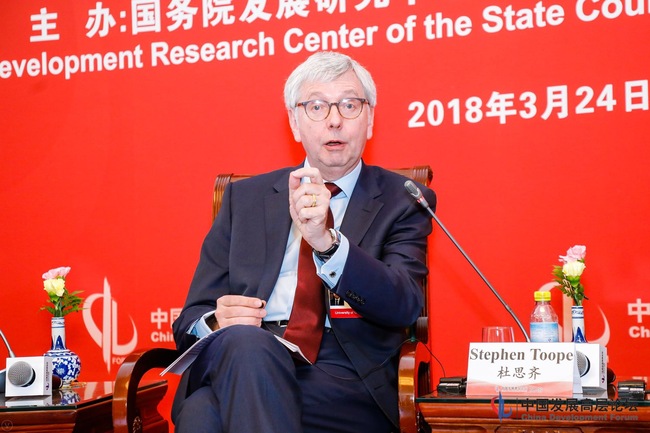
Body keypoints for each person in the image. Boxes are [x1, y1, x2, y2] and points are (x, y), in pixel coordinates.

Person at [171, 50, 436, 433]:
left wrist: (327, 244)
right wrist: (215, 320)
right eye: (316, 106)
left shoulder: (403, 199)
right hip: (244, 352)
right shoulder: (244, 200)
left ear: (370, 120)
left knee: (203, 416)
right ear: (295, 123)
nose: (334, 121)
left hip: (342, 374)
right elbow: (189, 321)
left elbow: (405, 305)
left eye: (349, 105)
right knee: (247, 346)